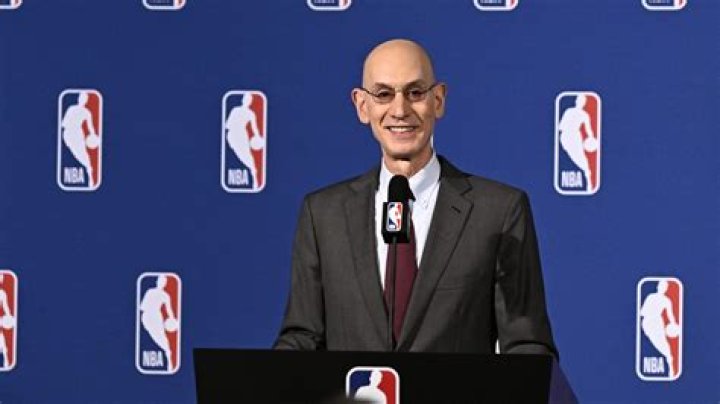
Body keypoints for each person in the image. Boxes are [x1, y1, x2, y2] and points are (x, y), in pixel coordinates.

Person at [275, 39, 557, 356]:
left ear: (438, 100)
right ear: (362, 106)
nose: (400, 110)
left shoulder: (498, 212)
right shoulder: (323, 215)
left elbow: (527, 347)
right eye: (383, 94)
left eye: (415, 93)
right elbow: (303, 338)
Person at [558, 94, 596, 191]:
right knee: (576, 158)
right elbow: (560, 127)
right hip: (566, 137)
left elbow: (589, 130)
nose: (580, 103)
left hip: (575, 137)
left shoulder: (584, 115)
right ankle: (587, 175)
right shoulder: (569, 111)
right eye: (579, 100)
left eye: (582, 101)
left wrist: (591, 138)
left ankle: (588, 181)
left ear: (584, 103)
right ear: (576, 101)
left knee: (582, 159)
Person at [139, 275, 178, 370]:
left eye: (163, 282)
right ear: (157, 282)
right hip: (147, 316)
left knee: (162, 337)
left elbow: (169, 310)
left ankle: (168, 357)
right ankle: (167, 352)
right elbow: (142, 307)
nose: (161, 283)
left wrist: (172, 319)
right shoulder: (150, 292)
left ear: (165, 284)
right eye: (160, 281)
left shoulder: (165, 295)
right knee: (156, 336)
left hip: (156, 316)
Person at [226, 93, 263, 190]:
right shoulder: (235, 110)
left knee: (248, 158)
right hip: (234, 135)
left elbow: (255, 128)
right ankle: (253, 175)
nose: (247, 101)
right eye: (246, 99)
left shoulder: (251, 113)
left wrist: (258, 137)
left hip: (241, 136)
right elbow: (228, 125)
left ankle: (254, 179)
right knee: (243, 157)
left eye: (249, 100)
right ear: (243, 100)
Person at [61, 91, 98, 187]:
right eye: (82, 98)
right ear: (79, 99)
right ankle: (88, 170)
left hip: (77, 134)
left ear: (86, 101)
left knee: (84, 155)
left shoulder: (86, 112)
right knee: (78, 154)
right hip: (69, 134)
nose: (83, 100)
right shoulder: (71, 108)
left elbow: (91, 128)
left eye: (84, 99)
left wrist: (94, 136)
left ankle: (90, 174)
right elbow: (63, 124)